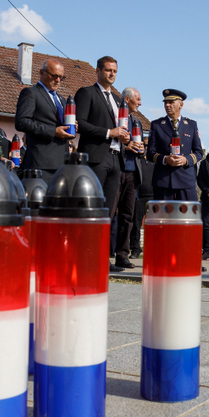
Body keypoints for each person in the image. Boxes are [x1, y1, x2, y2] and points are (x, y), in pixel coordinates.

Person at [74, 56, 130, 272]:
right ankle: (86, 257)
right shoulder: (86, 93)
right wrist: (109, 132)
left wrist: (124, 137)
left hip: (116, 158)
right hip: (96, 157)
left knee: (107, 211)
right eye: (108, 70)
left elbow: (120, 128)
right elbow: (81, 124)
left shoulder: (118, 100)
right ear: (97, 71)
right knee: (93, 209)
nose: (112, 74)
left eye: (115, 71)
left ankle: (102, 259)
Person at [14, 59, 76, 182]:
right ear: (42, 73)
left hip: (61, 164)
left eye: (61, 77)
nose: (58, 80)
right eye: (54, 76)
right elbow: (21, 122)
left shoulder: (62, 100)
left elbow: (61, 126)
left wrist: (71, 127)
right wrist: (53, 131)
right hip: (41, 163)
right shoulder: (31, 93)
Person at [146, 89, 203, 201]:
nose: (167, 105)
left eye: (171, 102)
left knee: (188, 212)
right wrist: (165, 159)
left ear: (181, 104)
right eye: (165, 103)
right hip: (163, 180)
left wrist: (185, 160)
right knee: (163, 212)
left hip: (185, 179)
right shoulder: (156, 125)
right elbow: (150, 153)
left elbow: (199, 152)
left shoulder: (191, 125)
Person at [112, 87, 146, 269]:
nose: (140, 103)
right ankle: (103, 254)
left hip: (132, 174)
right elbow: (112, 142)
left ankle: (122, 255)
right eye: (137, 99)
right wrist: (126, 147)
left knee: (128, 216)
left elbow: (140, 147)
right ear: (127, 99)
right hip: (116, 170)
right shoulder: (115, 116)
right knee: (110, 213)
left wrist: (141, 149)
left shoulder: (137, 122)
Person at [129, 131, 154, 259]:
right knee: (136, 224)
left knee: (153, 226)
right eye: (144, 145)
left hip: (153, 198)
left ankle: (153, 248)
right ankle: (135, 249)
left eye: (148, 146)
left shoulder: (155, 162)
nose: (146, 148)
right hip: (139, 197)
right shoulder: (136, 160)